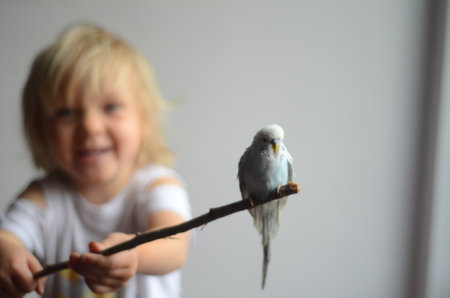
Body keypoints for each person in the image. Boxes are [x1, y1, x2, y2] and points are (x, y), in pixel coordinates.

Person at [0, 23, 191, 298]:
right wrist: (6, 255)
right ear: (41, 129)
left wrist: (135, 254)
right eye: (66, 112)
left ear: (144, 119)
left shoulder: (157, 185)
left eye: (110, 107)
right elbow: (7, 237)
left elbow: (176, 243)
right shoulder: (44, 198)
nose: (90, 127)